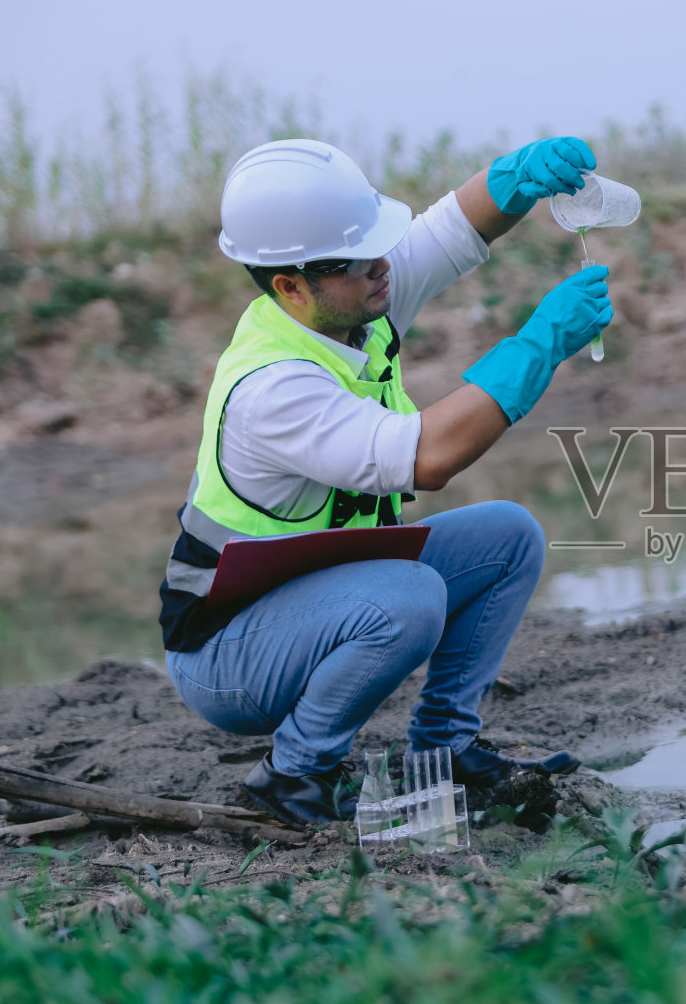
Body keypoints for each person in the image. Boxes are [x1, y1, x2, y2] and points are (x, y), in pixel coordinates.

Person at [157, 136, 612, 828]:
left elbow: (451, 230)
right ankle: (295, 772)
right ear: (290, 284)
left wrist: (517, 177)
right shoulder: (273, 386)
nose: (382, 265)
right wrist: (541, 342)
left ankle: (445, 748)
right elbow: (427, 456)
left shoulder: (346, 303)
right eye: (359, 258)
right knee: (410, 596)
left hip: (314, 594)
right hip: (228, 652)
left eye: (378, 244)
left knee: (509, 537)